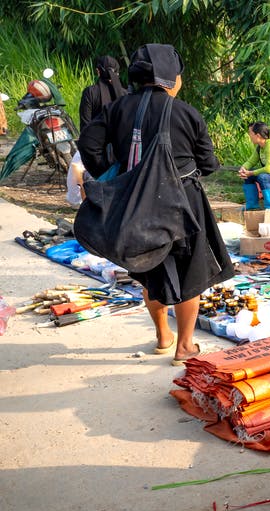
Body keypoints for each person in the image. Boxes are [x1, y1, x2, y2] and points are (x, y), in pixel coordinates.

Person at [78, 44, 235, 366]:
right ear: (170, 77)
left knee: (148, 268)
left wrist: (116, 175)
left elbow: (89, 144)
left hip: (134, 201)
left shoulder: (119, 108)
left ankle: (164, 336)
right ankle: (185, 346)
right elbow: (208, 163)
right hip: (183, 202)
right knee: (190, 272)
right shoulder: (186, 112)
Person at [78, 56, 127, 132]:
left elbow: (85, 127)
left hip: (96, 141)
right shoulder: (125, 94)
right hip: (121, 142)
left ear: (98, 71)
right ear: (117, 74)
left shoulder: (90, 92)